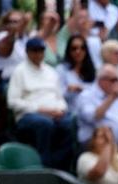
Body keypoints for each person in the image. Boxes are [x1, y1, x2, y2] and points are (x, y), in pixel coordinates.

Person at [6, 37, 76, 170]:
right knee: (45, 124)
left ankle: (59, 163)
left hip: (54, 112)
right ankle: (43, 165)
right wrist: (40, 109)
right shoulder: (19, 71)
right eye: (35, 51)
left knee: (72, 123)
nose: (38, 54)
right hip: (28, 115)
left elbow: (60, 97)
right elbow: (12, 102)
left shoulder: (51, 71)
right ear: (27, 52)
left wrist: (60, 110)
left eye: (41, 51)